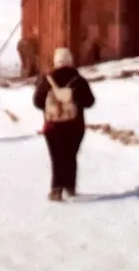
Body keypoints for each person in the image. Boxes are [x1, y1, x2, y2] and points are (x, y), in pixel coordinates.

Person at [32, 47, 96, 202]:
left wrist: (53, 105)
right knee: (70, 155)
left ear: (56, 62)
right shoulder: (79, 80)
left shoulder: (47, 80)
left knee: (57, 157)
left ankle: (56, 189)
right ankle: (70, 186)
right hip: (75, 126)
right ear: (70, 61)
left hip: (53, 126)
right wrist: (75, 99)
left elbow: (37, 102)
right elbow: (90, 102)